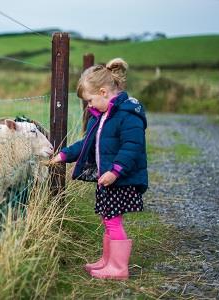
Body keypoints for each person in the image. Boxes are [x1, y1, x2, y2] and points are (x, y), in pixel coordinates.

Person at [49, 58, 147, 280]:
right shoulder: (101, 116)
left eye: (90, 101)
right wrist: (64, 155)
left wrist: (115, 171)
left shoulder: (128, 115)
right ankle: (107, 261)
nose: (90, 106)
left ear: (103, 92)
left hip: (121, 179)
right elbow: (87, 144)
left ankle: (119, 268)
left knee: (113, 220)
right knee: (107, 219)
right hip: (108, 178)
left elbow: (132, 147)